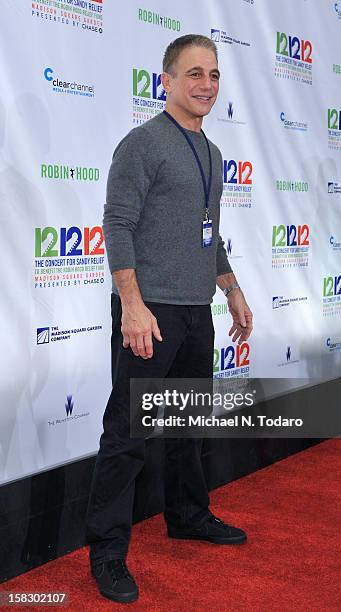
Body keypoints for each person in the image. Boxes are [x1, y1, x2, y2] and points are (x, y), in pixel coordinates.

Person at [85, 34, 253, 604]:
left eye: (213, 74)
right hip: (149, 312)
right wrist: (132, 304)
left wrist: (231, 290)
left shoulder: (213, 154)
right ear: (168, 82)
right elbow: (117, 225)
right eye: (193, 75)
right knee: (128, 434)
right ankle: (107, 554)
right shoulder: (143, 144)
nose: (205, 85)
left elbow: (208, 234)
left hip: (195, 310)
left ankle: (186, 514)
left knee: (187, 426)